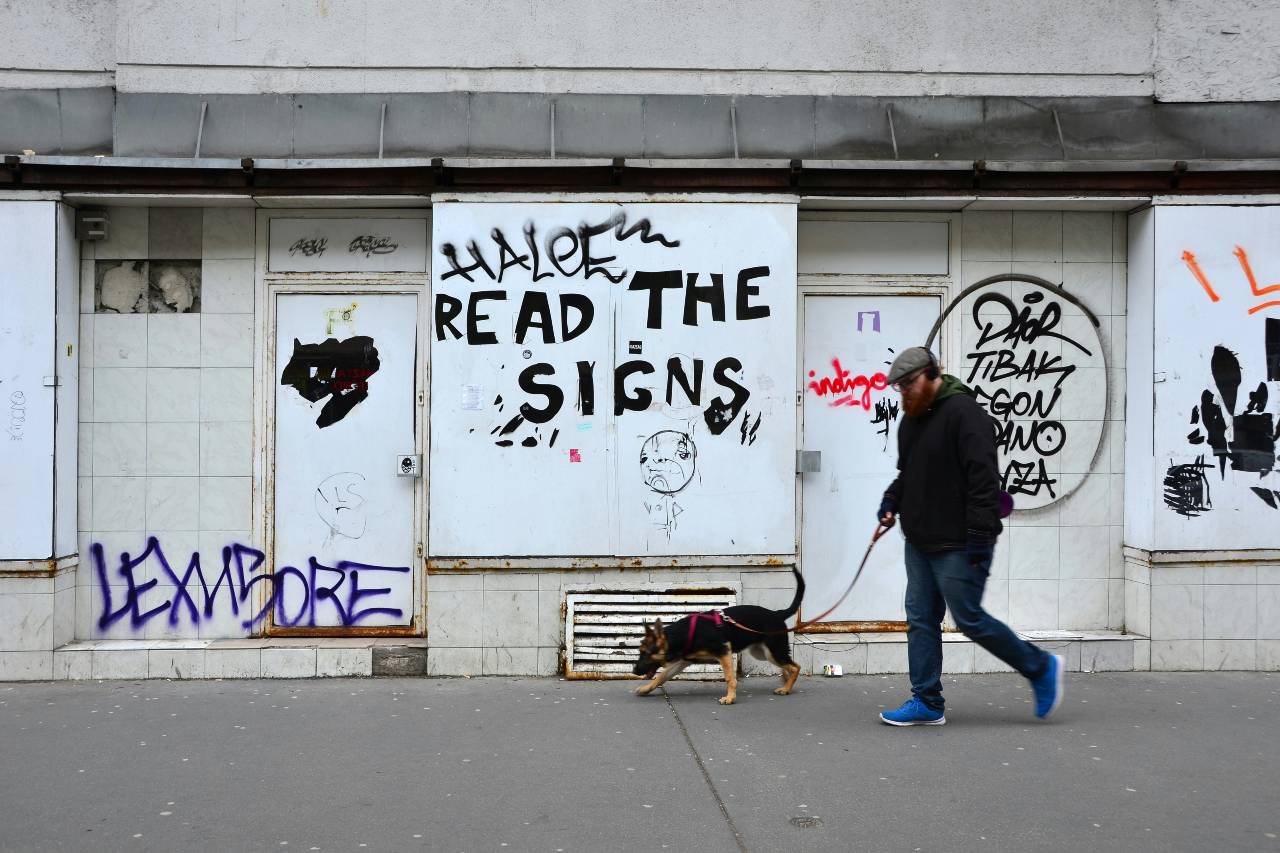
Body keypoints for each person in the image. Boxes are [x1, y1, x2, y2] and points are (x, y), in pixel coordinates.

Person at [876, 346, 1063, 726]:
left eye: (909, 384)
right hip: (921, 541)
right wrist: (890, 502)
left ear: (932, 374)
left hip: (960, 542)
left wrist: (980, 539)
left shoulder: (966, 415)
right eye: (899, 388)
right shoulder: (910, 421)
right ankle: (926, 701)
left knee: (969, 619)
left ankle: (1041, 667)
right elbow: (906, 474)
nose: (905, 393)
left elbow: (983, 483)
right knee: (921, 618)